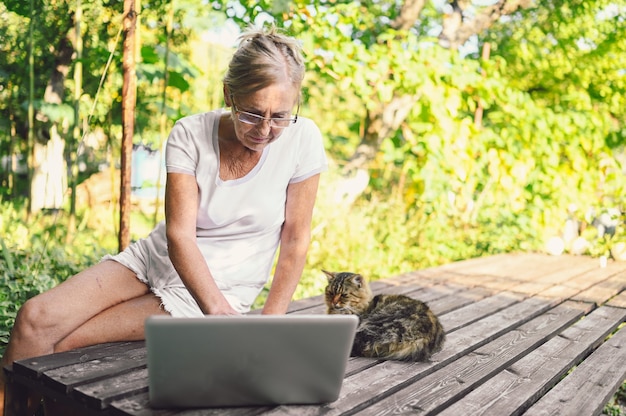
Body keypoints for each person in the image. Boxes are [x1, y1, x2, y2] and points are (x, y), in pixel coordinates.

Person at [0, 25, 327, 415]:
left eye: (280, 117)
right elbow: (179, 235)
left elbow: (295, 239)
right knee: (34, 320)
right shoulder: (190, 133)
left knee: (67, 342)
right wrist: (219, 314)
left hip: (217, 287)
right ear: (229, 95)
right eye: (253, 113)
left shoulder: (303, 140)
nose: (265, 129)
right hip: (158, 260)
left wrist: (265, 325)